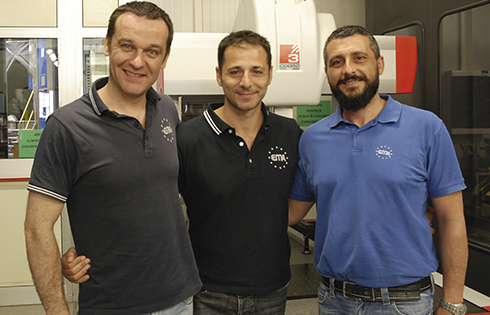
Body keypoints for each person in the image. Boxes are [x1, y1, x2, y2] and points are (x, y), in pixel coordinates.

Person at [62, 30, 303, 315]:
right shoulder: (188, 138)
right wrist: (92, 250)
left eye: (257, 71)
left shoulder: (290, 135)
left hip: (272, 290)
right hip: (205, 290)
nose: (246, 82)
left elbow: (299, 197)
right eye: (235, 71)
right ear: (219, 74)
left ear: (270, 74)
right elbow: (149, 206)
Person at [23, 2, 201, 314]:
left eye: (152, 51)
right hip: (111, 305)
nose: (137, 61)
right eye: (127, 46)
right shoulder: (68, 126)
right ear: (107, 45)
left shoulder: (166, 109)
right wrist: (57, 310)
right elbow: (37, 229)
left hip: (180, 297)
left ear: (165, 57)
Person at [288, 25, 468, 315]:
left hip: (404, 302)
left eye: (359, 58)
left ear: (379, 64)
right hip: (334, 300)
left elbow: (452, 220)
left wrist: (453, 302)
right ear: (327, 72)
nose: (348, 70)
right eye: (337, 62)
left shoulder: (426, 128)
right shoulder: (313, 138)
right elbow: (290, 212)